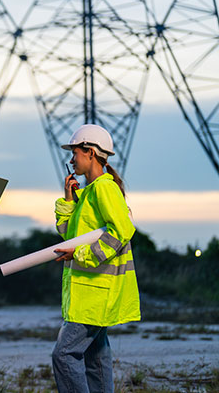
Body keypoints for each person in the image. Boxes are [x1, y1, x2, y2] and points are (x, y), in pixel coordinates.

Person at [51, 124, 141, 393]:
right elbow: (69, 236)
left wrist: (79, 255)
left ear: (89, 152)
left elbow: (122, 231)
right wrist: (68, 200)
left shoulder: (104, 188)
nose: (71, 160)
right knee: (95, 358)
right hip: (90, 294)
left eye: (74, 153)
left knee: (64, 355)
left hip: (94, 295)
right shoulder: (89, 192)